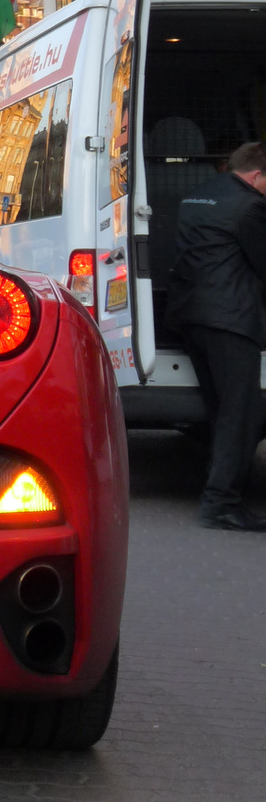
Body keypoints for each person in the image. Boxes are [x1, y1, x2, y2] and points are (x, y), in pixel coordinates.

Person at [167, 140, 266, 530]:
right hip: (230, 318)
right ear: (256, 176)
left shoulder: (199, 195)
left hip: (190, 315)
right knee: (240, 413)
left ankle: (216, 483)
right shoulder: (251, 206)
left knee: (221, 408)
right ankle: (221, 502)